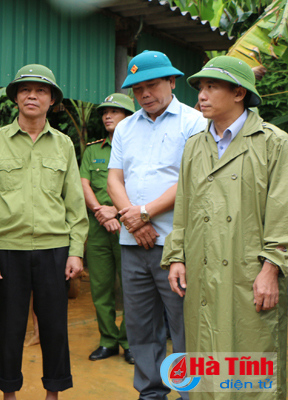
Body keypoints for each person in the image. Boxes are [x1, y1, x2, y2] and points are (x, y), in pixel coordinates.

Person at [162, 56, 288, 399]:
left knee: (252, 366)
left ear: (238, 92)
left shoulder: (273, 143)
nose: (201, 95)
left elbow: (283, 211)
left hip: (249, 273)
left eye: (211, 86)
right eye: (201, 87)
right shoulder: (194, 146)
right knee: (207, 361)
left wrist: (271, 269)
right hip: (202, 273)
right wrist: (176, 256)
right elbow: (184, 206)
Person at [0, 64, 89, 400]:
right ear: (16, 98)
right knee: (9, 328)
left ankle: (53, 394)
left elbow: (74, 202)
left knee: (54, 327)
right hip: (8, 249)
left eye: (40, 90)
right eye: (25, 90)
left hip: (55, 248)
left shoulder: (64, 145)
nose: (32, 96)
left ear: (51, 99)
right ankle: (9, 394)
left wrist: (76, 249)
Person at [107, 50, 207, 400]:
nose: (144, 94)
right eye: (137, 89)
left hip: (176, 245)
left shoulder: (194, 122)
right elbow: (114, 180)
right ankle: (151, 392)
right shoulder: (125, 127)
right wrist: (134, 222)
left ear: (171, 82)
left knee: (184, 325)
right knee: (140, 324)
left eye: (151, 85)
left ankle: (189, 392)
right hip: (132, 244)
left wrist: (145, 212)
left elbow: (193, 179)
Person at [79, 93, 135, 364]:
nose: (107, 116)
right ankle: (108, 341)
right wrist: (101, 214)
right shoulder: (93, 149)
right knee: (101, 287)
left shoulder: (140, 147)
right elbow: (84, 183)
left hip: (132, 226)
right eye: (105, 112)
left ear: (130, 116)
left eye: (115, 111)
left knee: (132, 289)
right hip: (100, 227)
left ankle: (130, 342)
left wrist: (119, 212)